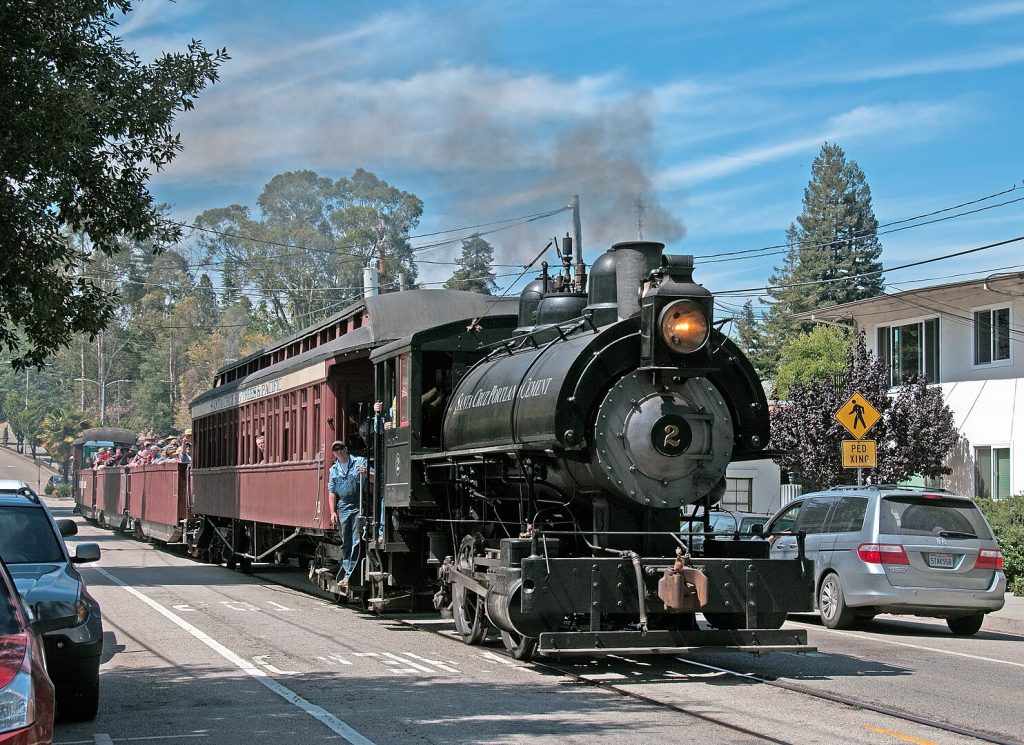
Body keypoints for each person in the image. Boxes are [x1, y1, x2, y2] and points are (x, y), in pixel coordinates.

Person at [327, 440, 367, 581]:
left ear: (346, 448)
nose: (339, 451)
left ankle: (352, 571)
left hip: (358, 505)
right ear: (334, 453)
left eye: (341, 448)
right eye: (336, 450)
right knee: (346, 541)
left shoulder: (360, 462)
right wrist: (332, 512)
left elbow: (374, 480)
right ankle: (347, 568)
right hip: (343, 506)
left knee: (356, 540)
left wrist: (367, 473)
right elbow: (331, 492)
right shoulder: (333, 470)